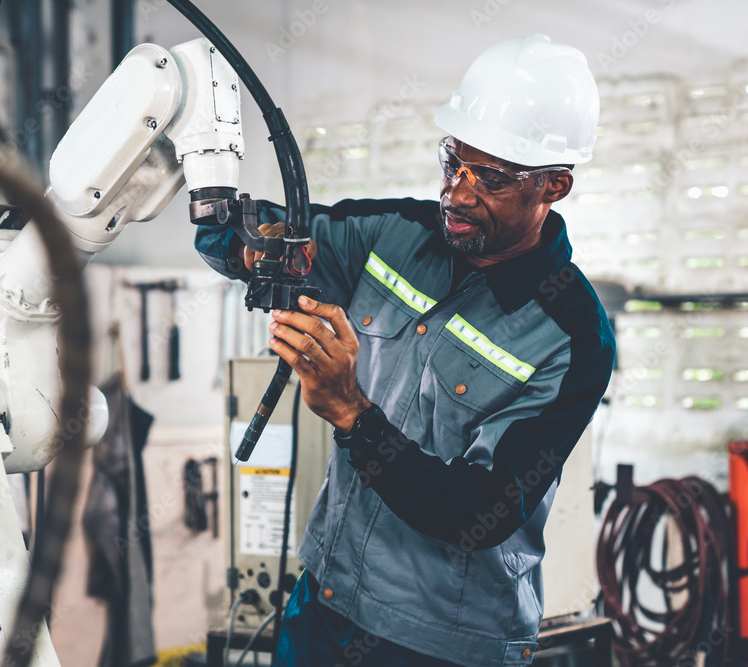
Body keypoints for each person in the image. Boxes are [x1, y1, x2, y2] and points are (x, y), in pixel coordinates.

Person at [195, 33, 615, 667]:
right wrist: (255, 246)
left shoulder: (571, 337)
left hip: (439, 643)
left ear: (554, 185)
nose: (458, 193)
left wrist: (350, 412)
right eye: (453, 162)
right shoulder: (395, 236)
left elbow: (482, 509)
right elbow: (228, 237)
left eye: (492, 179)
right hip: (324, 600)